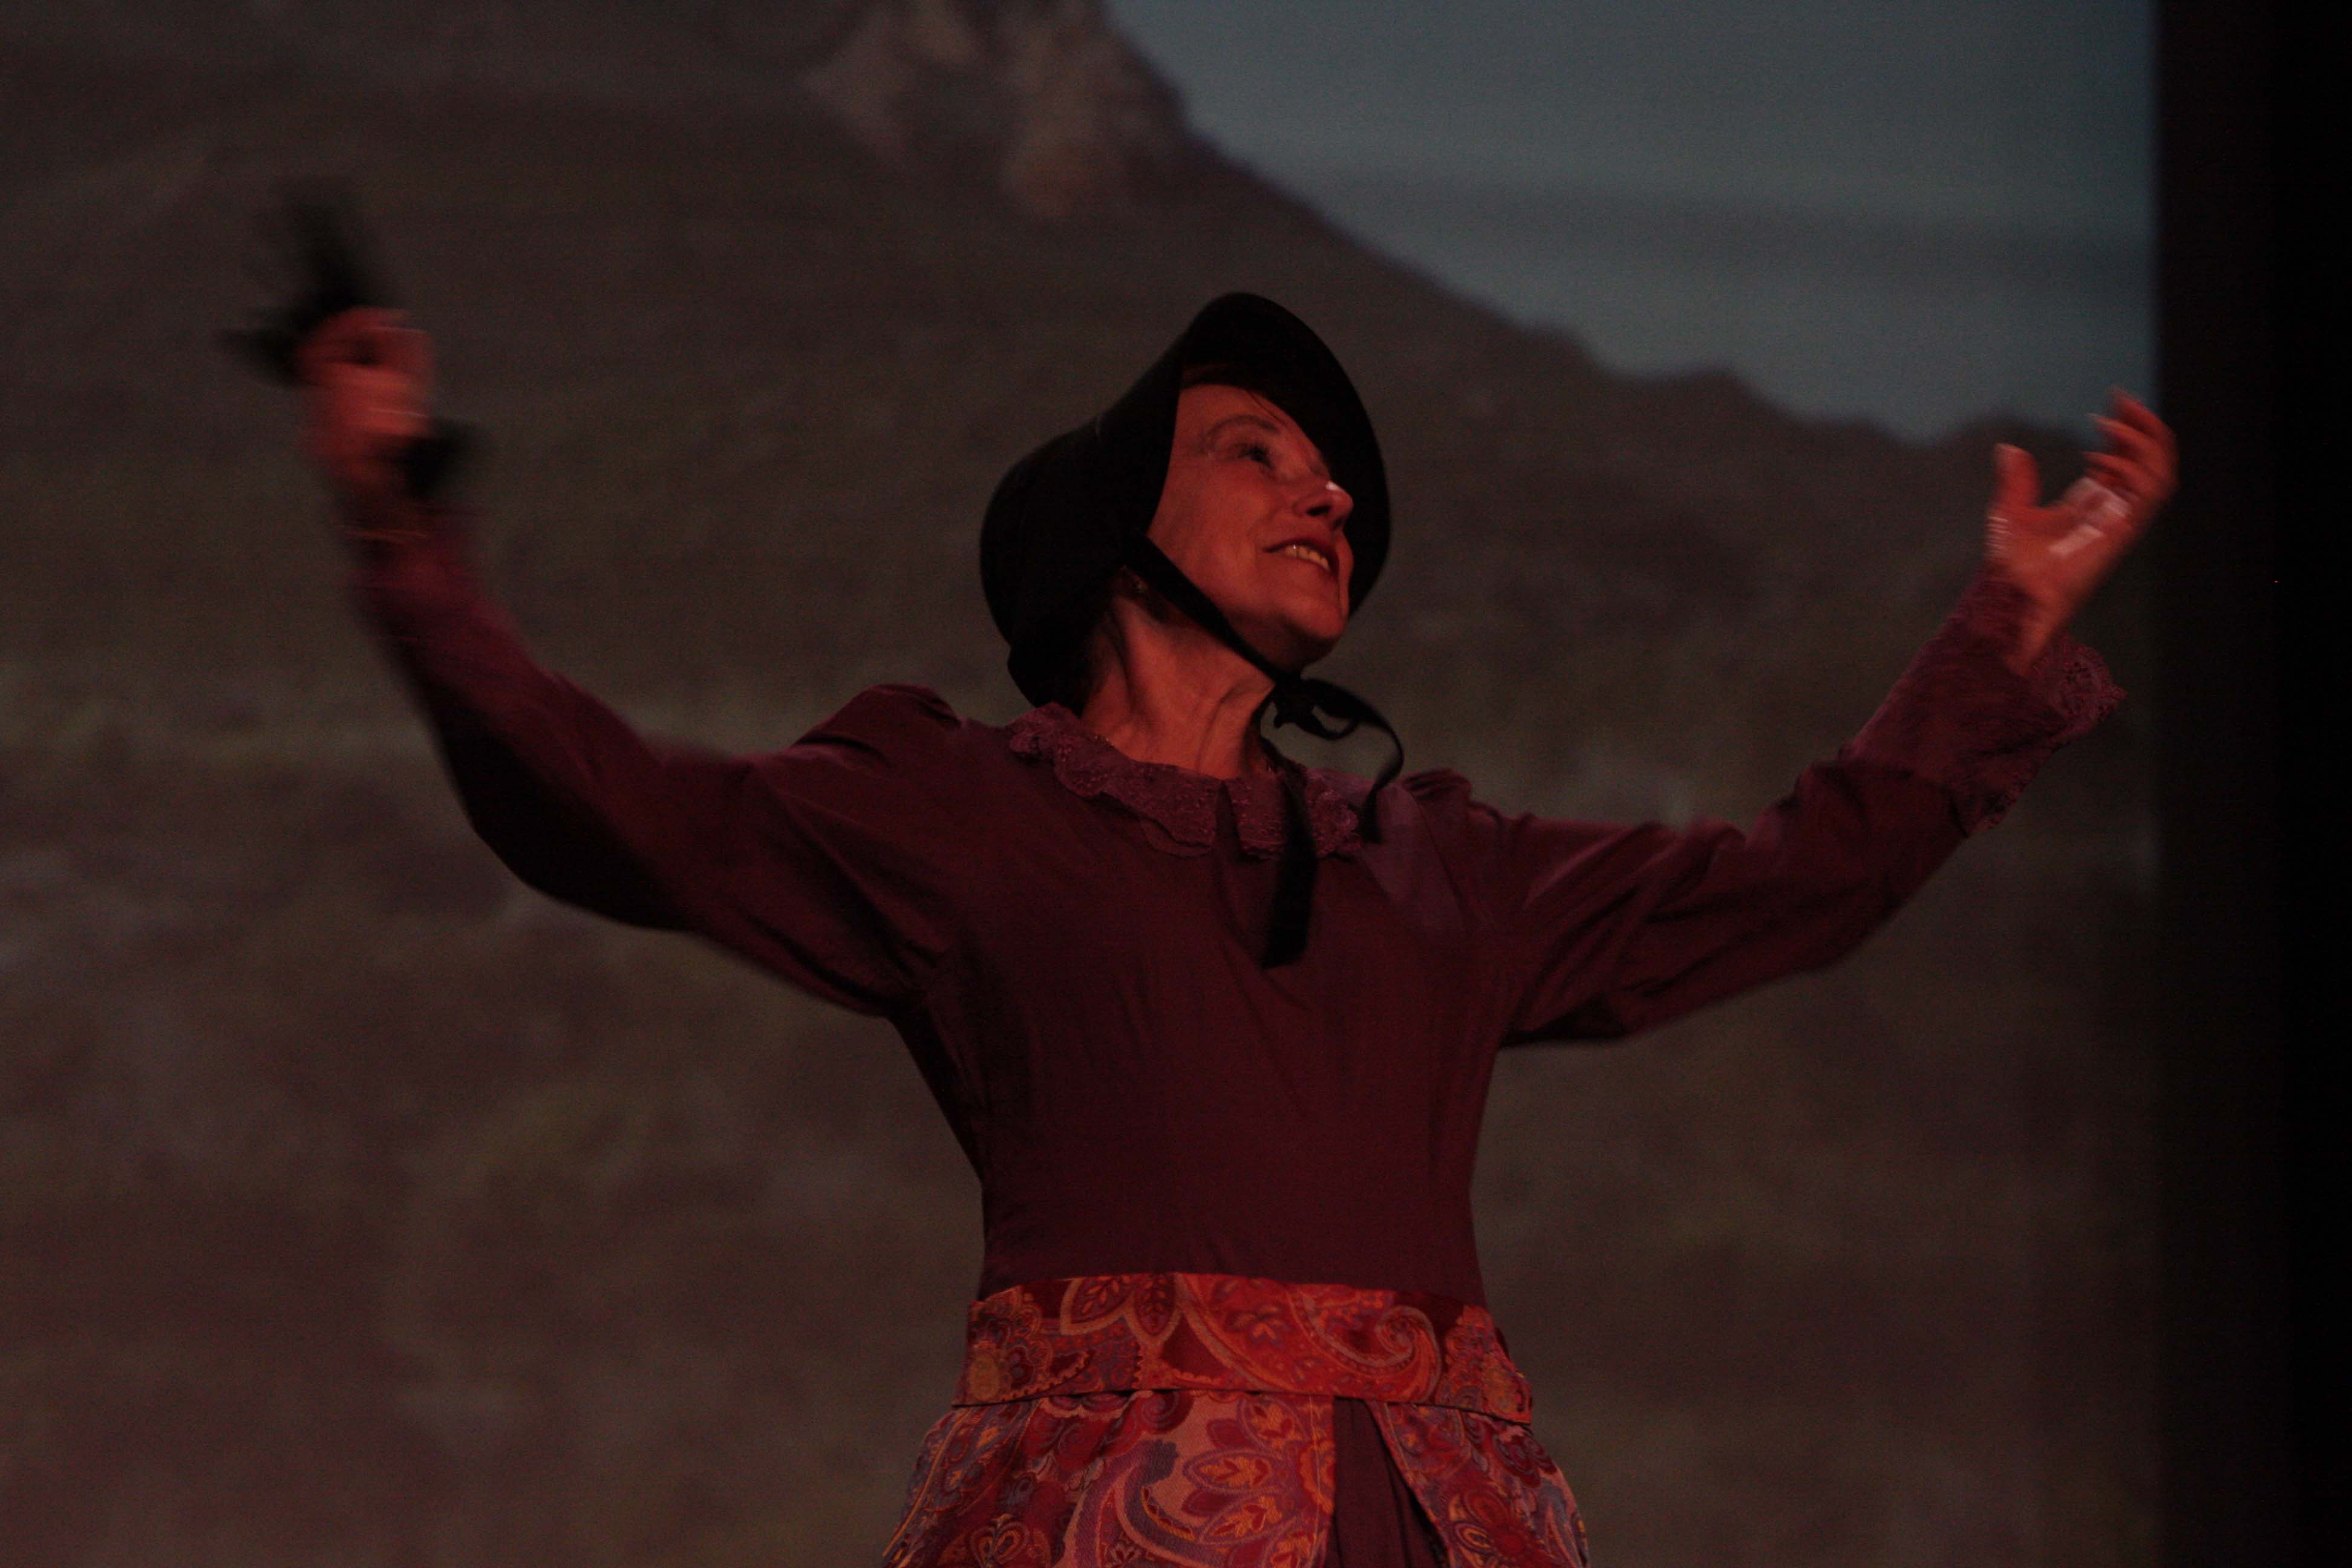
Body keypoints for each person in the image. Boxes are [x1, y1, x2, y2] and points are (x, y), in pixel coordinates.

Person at [292, 293, 2174, 1568]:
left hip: (1437, 1521)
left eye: (1330, 475)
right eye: (1257, 452)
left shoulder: (1433, 862)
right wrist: (403, 538)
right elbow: (613, 800)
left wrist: (2000, 627)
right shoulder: (965, 811)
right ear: (1118, 529)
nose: (1327, 491)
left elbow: (1792, 877)